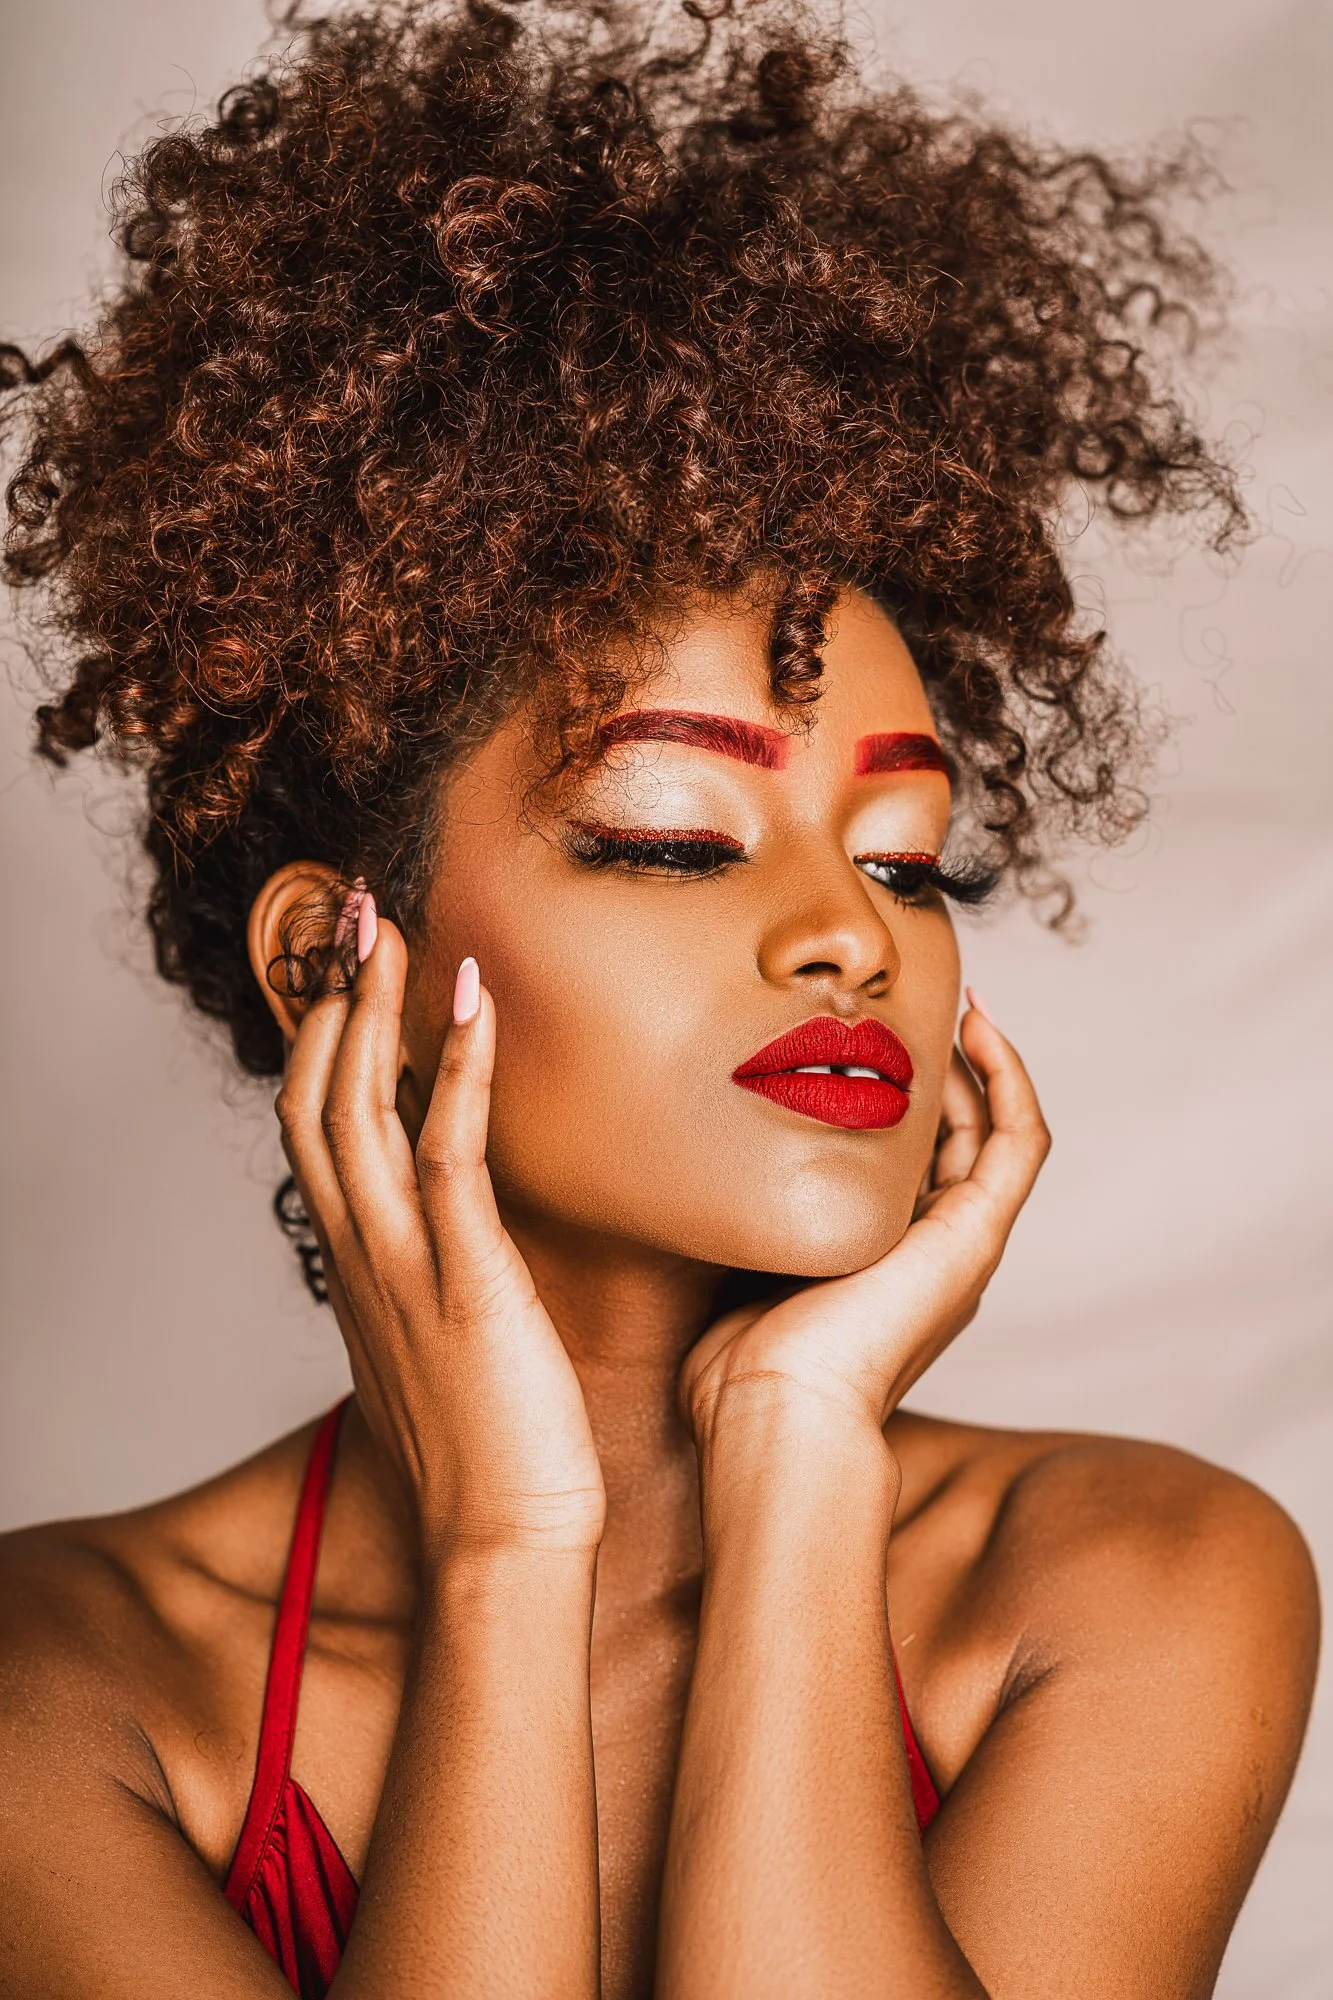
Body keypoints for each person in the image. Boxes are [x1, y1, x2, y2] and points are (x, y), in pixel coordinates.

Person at [0, 2, 1318, 1995]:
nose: (851, 938)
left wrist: (796, 1443)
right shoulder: (55, 1683)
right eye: (675, 837)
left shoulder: (1133, 1578)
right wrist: (509, 1549)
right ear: (324, 959)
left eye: (905, 859)